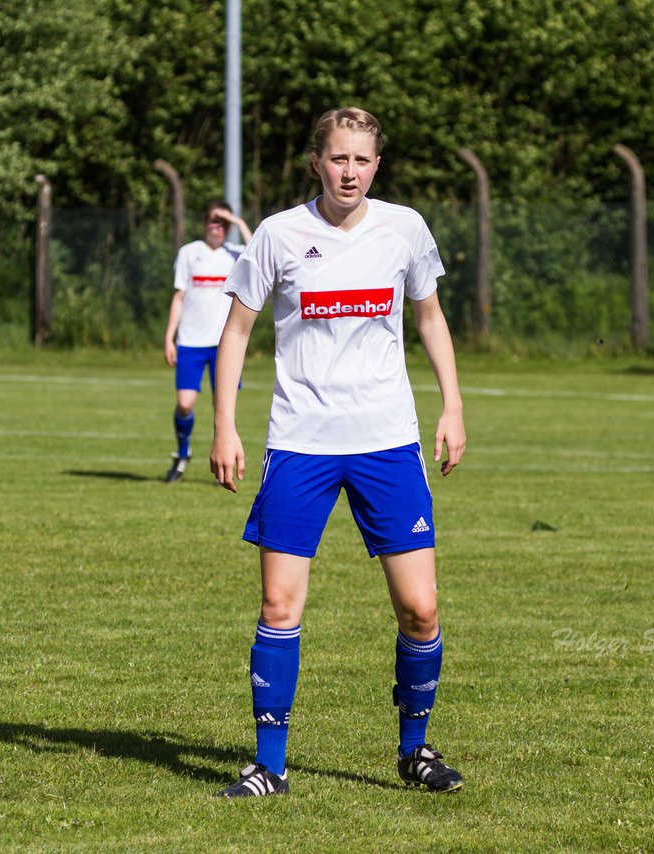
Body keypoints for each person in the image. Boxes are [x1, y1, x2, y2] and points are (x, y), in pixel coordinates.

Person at [209, 107, 467, 798]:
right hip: (300, 444)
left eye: (361, 159)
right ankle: (270, 765)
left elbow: (430, 316)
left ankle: (415, 751)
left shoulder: (404, 228)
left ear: (376, 165)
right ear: (316, 161)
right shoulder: (278, 236)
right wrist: (225, 426)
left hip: (387, 442)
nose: (348, 171)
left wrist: (454, 406)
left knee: (421, 609)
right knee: (278, 604)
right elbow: (236, 332)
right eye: (337, 158)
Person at [162, 200, 252, 482]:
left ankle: (222, 462)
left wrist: (237, 221)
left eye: (223, 224)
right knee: (185, 404)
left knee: (223, 406)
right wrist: (169, 337)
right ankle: (183, 451)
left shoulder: (235, 253)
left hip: (224, 344)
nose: (219, 228)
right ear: (204, 224)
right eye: (214, 222)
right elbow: (179, 296)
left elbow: (260, 252)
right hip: (190, 341)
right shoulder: (190, 253)